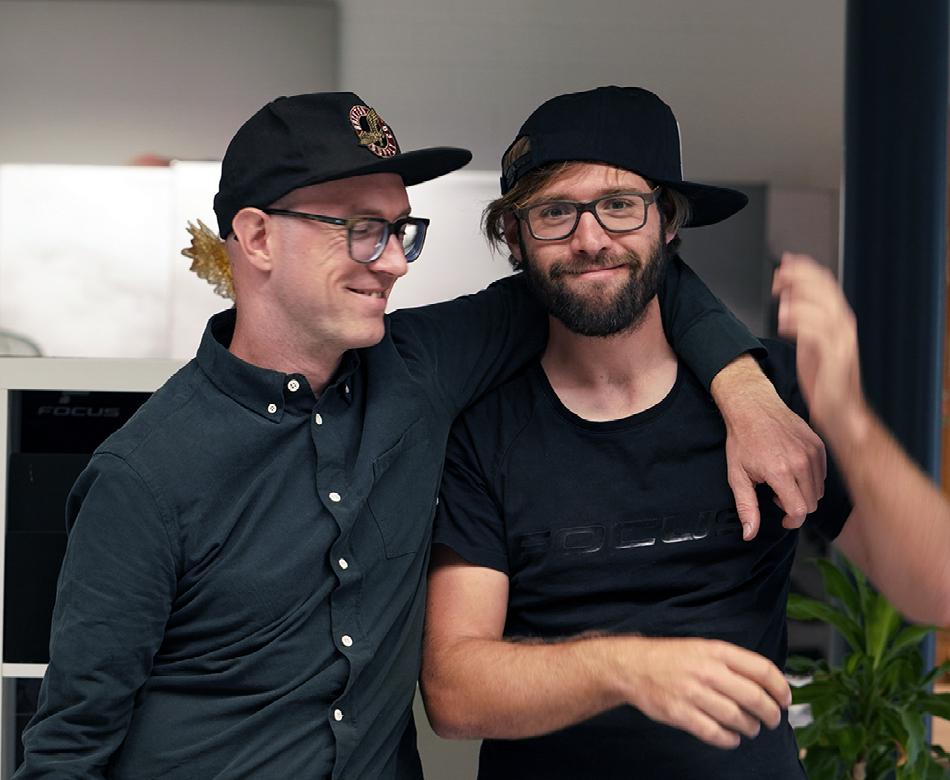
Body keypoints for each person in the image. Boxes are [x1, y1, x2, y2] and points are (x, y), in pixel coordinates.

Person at [16, 91, 823, 780]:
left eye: (401, 230)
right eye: (361, 229)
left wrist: (744, 387)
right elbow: (68, 747)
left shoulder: (421, 370)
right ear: (257, 238)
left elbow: (611, 268)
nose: (395, 263)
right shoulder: (145, 474)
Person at [420, 85, 950, 779]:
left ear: (667, 220)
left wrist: (847, 416)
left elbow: (937, 589)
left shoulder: (773, 395)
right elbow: (455, 693)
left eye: (619, 205)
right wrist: (626, 668)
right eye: (554, 212)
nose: (590, 239)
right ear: (516, 239)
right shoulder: (483, 428)